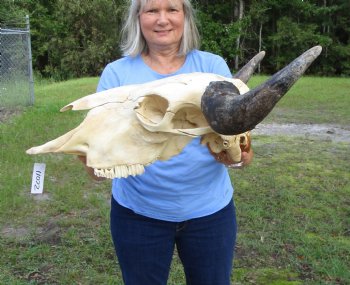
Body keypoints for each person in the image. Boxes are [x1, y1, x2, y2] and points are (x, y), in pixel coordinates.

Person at [80, 0, 253, 284]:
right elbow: (96, 166)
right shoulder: (117, 74)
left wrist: (235, 156)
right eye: (151, 11)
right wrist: (92, 160)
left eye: (172, 9)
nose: (162, 19)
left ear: (185, 17)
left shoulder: (212, 66)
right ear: (138, 18)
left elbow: (244, 152)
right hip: (137, 216)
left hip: (211, 215)